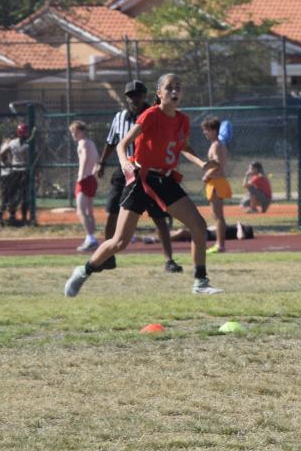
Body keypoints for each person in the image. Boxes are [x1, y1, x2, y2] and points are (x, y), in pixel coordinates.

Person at [65, 72, 222, 297]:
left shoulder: (183, 120)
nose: (175, 91)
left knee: (198, 225)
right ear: (159, 93)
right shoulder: (150, 115)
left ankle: (200, 282)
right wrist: (124, 164)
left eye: (178, 86)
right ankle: (84, 270)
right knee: (119, 241)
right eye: (169, 87)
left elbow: (184, 148)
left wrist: (203, 163)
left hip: (165, 180)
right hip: (141, 180)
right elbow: (122, 145)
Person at [97, 81, 182, 274]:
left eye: (138, 94)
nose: (135, 99)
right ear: (126, 98)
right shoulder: (119, 117)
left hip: (149, 171)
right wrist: (102, 162)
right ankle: (107, 257)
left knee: (159, 217)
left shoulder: (154, 114)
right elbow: (111, 142)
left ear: (145, 95)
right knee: (111, 212)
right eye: (131, 95)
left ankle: (169, 259)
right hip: (124, 170)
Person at [200, 117, 230, 253]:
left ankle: (220, 245)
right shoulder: (216, 144)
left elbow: (218, 163)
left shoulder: (217, 145)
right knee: (216, 215)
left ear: (213, 130)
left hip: (216, 183)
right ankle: (220, 244)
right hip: (216, 182)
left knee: (218, 216)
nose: (204, 132)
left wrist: (207, 174)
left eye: (206, 130)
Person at [69, 121, 100, 251]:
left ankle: (90, 238)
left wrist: (80, 177)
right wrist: (93, 174)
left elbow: (85, 159)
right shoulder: (91, 143)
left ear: (81, 131)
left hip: (85, 179)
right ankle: (92, 239)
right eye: (72, 132)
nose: (73, 134)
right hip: (92, 179)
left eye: (75, 131)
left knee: (80, 211)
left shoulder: (83, 143)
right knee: (89, 211)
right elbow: (97, 161)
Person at [0, 124, 33, 226]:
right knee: (21, 196)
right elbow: (1, 155)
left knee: (14, 196)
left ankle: (6, 217)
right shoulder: (28, 144)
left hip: (15, 171)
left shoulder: (13, 143)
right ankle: (22, 218)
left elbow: (1, 155)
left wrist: (7, 164)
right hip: (23, 171)